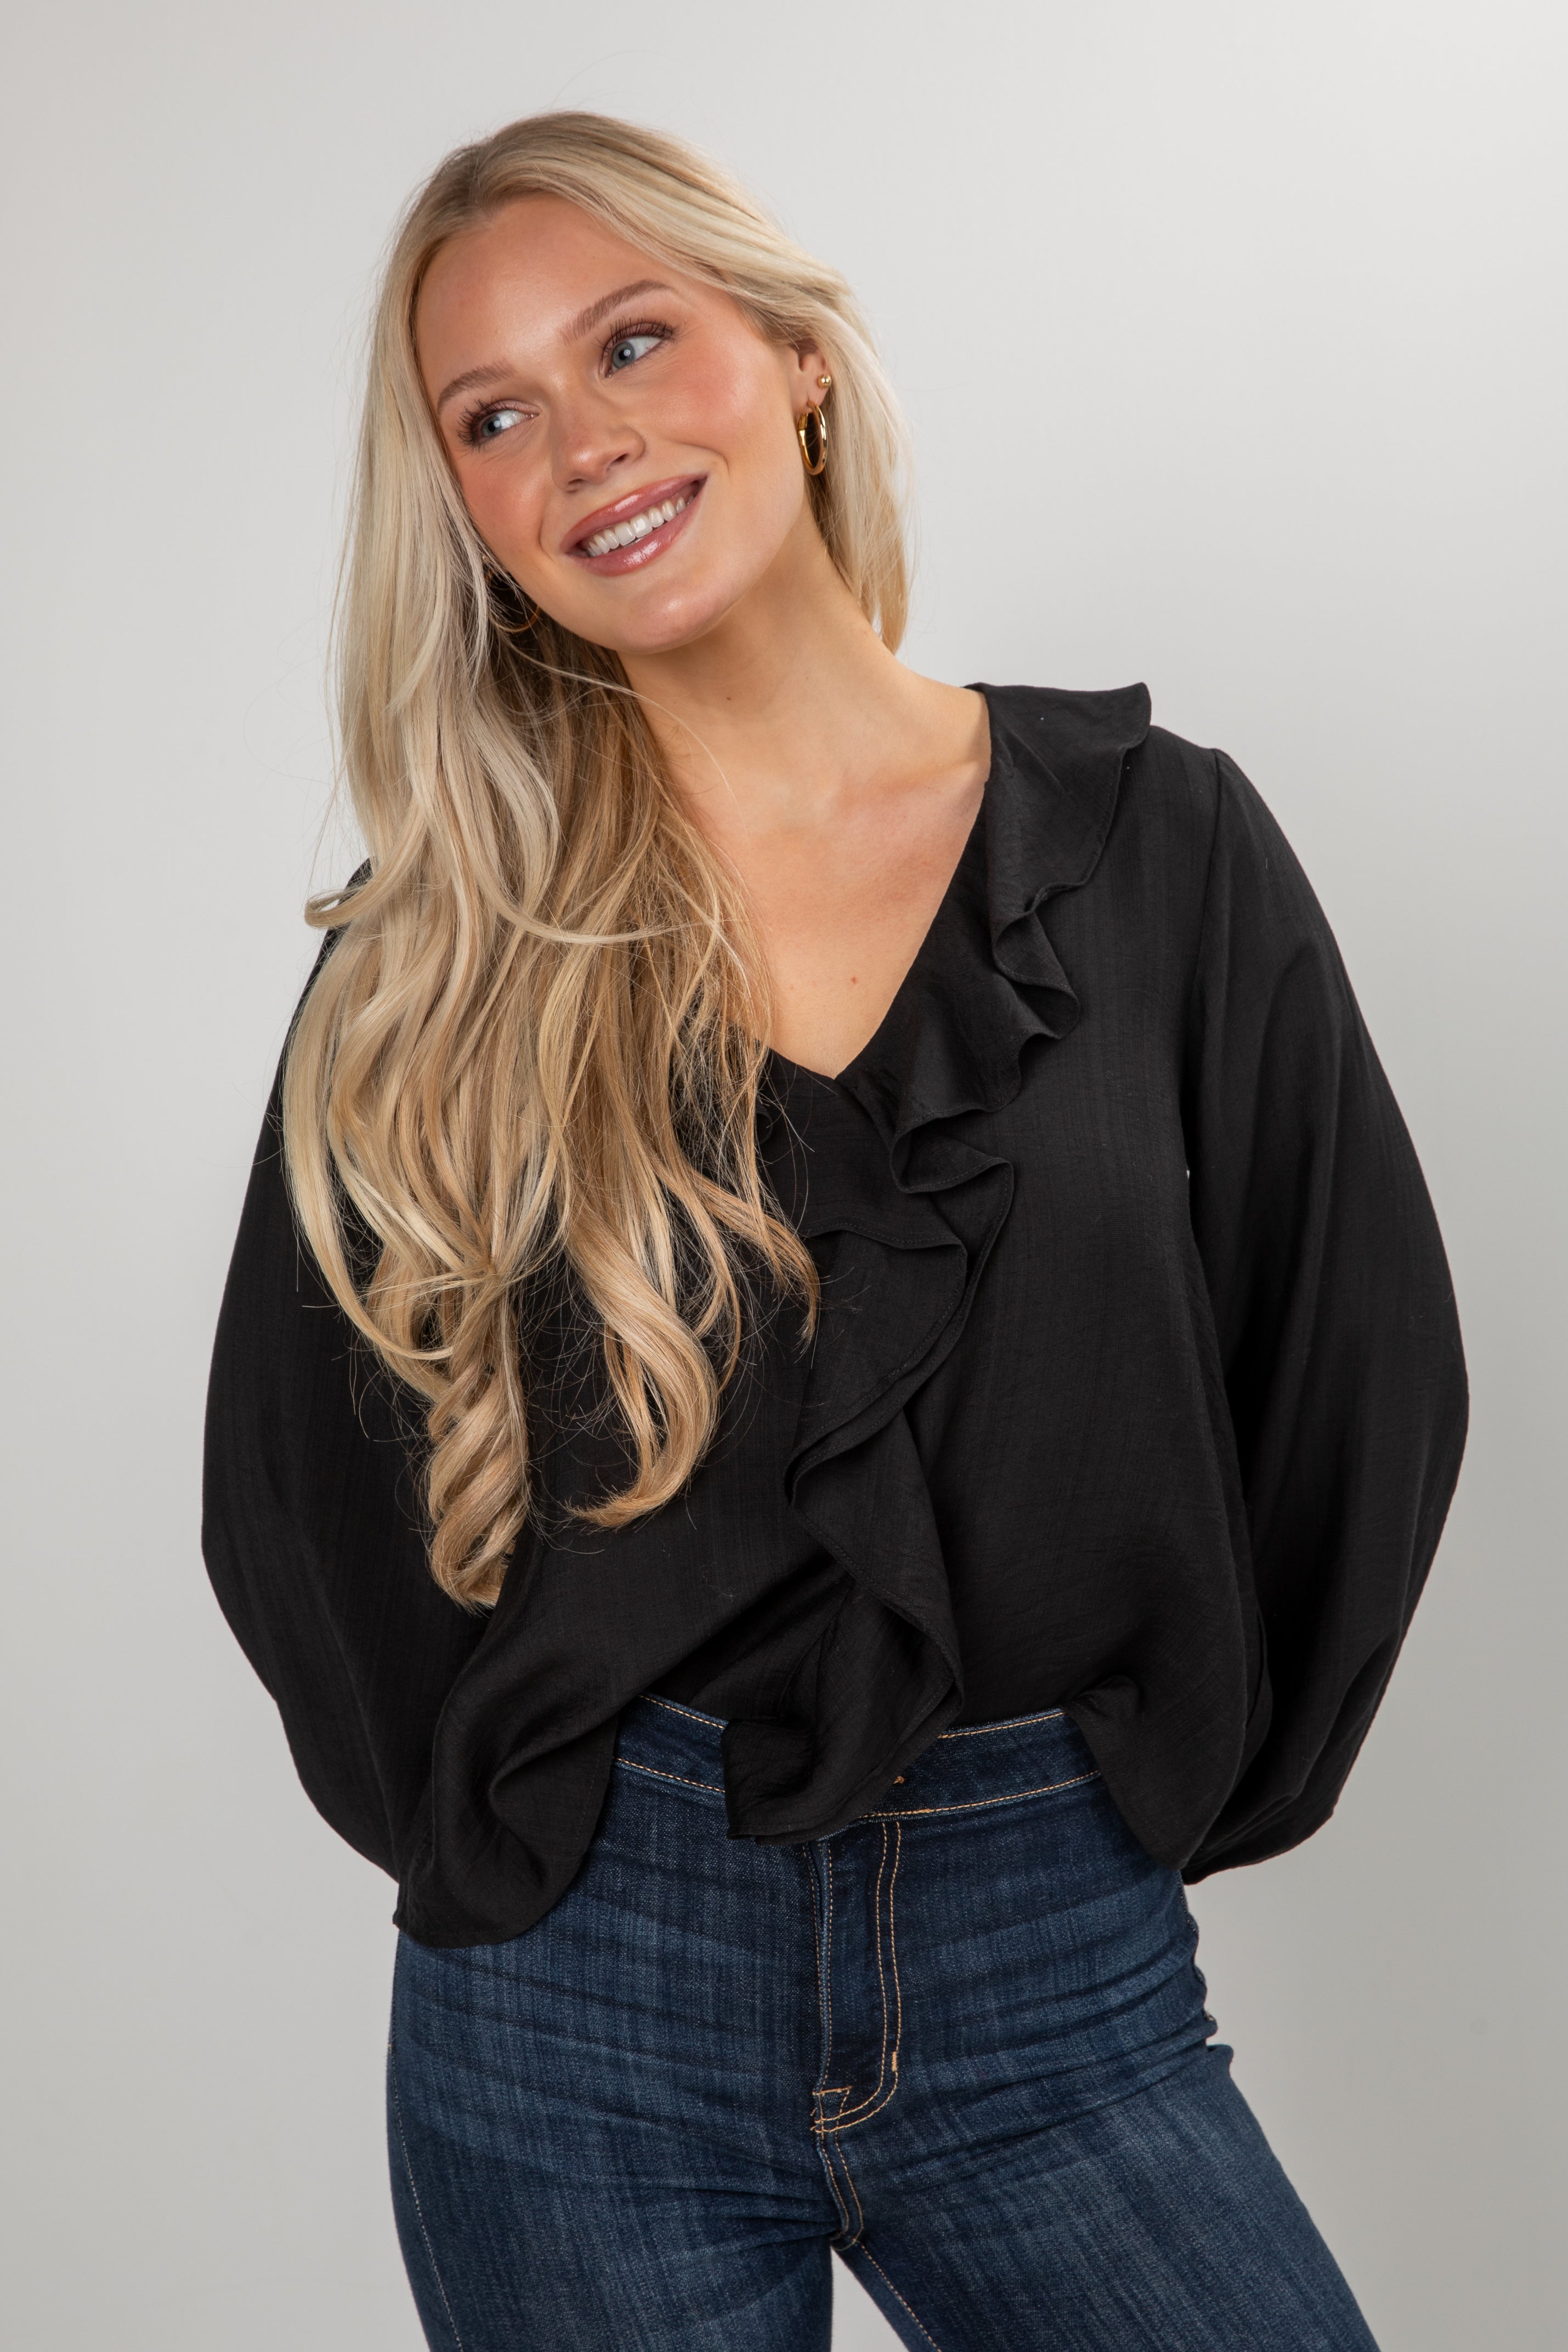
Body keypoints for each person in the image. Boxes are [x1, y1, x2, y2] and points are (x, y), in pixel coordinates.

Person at [202, 110, 1468, 2352]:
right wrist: (529, 1836)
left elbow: (1348, 1372)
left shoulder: (1159, 851)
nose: (580, 441)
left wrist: (1135, 1791)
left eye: (631, 343)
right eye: (492, 416)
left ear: (787, 352)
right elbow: (299, 1504)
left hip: (1056, 1971)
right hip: (576, 2010)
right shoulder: (441, 951)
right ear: (470, 525)